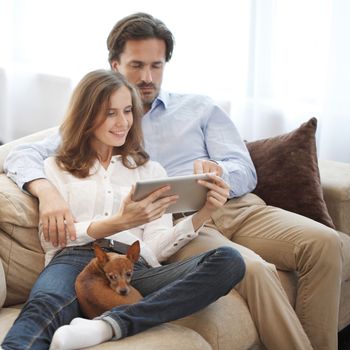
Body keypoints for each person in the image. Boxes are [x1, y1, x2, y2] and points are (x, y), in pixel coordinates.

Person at [3, 12, 342, 350]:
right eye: (136, 66)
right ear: (114, 66)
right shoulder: (67, 155)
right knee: (46, 307)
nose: (147, 78)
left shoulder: (170, 145)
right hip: (121, 240)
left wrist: (210, 192)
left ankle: (111, 326)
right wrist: (61, 199)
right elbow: (33, 188)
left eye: (156, 65)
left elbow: (236, 175)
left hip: (186, 233)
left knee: (284, 253)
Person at [1, 70, 245, 350]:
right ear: (87, 115)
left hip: (136, 268)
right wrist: (119, 221)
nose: (123, 122)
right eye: (110, 113)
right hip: (75, 259)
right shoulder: (56, 167)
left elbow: (156, 246)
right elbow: (55, 238)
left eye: (128, 111)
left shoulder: (151, 171)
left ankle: (108, 326)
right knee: (44, 307)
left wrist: (204, 212)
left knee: (229, 261)